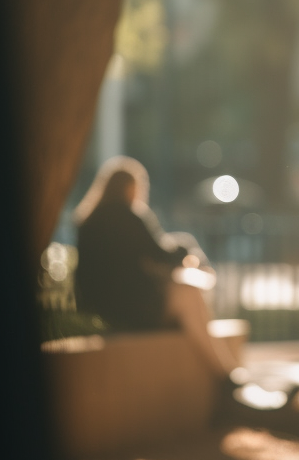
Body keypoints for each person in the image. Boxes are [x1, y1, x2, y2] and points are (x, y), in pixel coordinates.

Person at [74, 156, 233, 378]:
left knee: (187, 294)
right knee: (189, 294)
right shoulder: (127, 217)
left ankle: (227, 375)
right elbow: (162, 255)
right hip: (129, 309)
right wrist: (186, 247)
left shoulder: (88, 221)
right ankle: (226, 376)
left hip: (103, 307)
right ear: (131, 187)